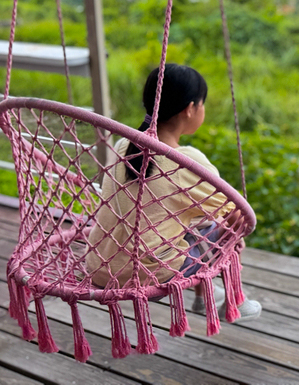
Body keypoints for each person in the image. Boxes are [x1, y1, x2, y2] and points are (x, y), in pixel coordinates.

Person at [85, 64, 261, 322]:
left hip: (101, 265)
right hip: (146, 274)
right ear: (190, 109)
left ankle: (205, 297)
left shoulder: (123, 143)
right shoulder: (187, 161)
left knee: (189, 216)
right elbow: (236, 212)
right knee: (227, 229)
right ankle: (233, 302)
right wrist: (233, 218)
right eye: (203, 104)